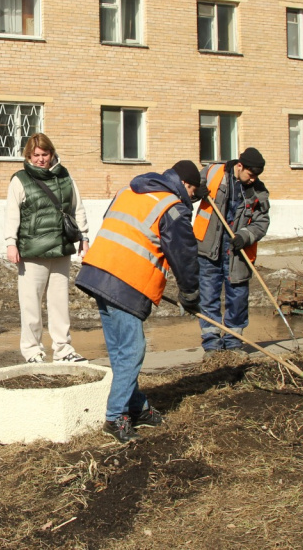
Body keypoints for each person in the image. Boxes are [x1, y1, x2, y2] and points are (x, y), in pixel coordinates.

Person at [76, 161, 207, 443]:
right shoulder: (172, 207)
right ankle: (115, 417)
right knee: (133, 350)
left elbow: (118, 226)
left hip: (98, 271)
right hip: (126, 282)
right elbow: (184, 258)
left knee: (121, 350)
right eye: (193, 194)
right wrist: (191, 295)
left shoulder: (130, 189)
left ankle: (137, 406)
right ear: (186, 185)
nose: (191, 201)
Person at [5, 133, 90, 364]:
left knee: (60, 302)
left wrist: (84, 237)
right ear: (28, 156)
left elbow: (77, 207)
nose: (41, 159)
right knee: (31, 303)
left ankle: (64, 350)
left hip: (61, 247)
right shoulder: (20, 180)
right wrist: (10, 242)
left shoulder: (65, 176)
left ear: (52, 153)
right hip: (32, 251)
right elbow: (12, 214)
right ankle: (32, 351)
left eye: (45, 154)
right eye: (36, 155)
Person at [193, 147, 270, 353]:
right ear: (239, 166)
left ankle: (234, 341)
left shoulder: (258, 191)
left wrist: (245, 236)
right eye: (250, 174)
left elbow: (261, 222)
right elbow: (187, 190)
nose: (253, 179)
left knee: (237, 297)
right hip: (209, 248)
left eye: (256, 176)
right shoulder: (212, 173)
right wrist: (196, 192)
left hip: (238, 252)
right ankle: (211, 344)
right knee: (209, 296)